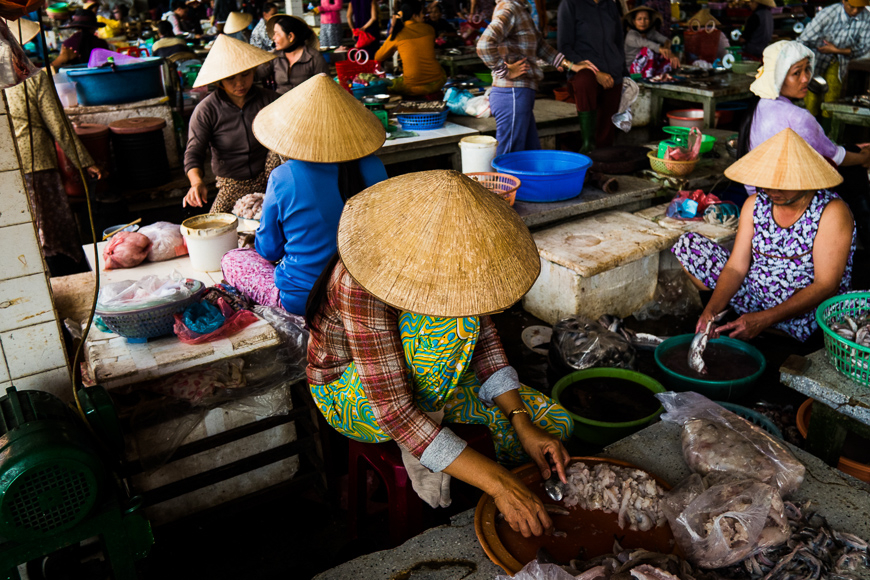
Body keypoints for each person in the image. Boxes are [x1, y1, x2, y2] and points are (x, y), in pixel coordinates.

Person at [305, 169, 574, 531]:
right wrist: (499, 483)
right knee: (456, 325)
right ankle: (424, 446)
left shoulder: (463, 264)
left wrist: (521, 422)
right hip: (351, 395)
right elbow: (394, 410)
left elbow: (487, 345)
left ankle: (438, 439)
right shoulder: (358, 282)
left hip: (422, 375)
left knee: (555, 425)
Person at [220, 74, 388, 315]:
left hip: (308, 299)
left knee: (232, 259)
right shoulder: (374, 166)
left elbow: (269, 251)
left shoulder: (284, 176)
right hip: (365, 291)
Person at [673, 128, 856, 343]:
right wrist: (711, 311)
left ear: (805, 180)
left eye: (782, 185)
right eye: (767, 184)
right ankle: (734, 323)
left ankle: (767, 330)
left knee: (852, 312)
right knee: (689, 245)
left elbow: (826, 285)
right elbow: (736, 267)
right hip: (756, 299)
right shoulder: (755, 204)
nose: (772, 192)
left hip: (807, 313)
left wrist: (766, 319)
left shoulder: (831, 211)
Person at [737, 40, 870, 244]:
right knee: (855, 172)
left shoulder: (759, 106)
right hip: (787, 196)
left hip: (756, 194)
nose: (806, 78)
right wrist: (864, 158)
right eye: (796, 73)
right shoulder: (798, 117)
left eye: (807, 69)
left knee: (851, 152)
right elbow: (834, 157)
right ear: (778, 76)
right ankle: (863, 234)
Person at [5, 54, 102, 274]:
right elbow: (58, 124)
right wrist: (84, 161)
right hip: (37, 164)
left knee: (24, 229)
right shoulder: (34, 78)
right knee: (52, 229)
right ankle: (64, 272)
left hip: (7, 168)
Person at [477, 0, 596, 155]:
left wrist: (570, 65)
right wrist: (505, 70)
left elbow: (540, 46)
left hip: (520, 94)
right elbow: (484, 45)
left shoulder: (520, 9)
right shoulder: (509, 8)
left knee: (531, 154)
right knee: (509, 156)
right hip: (512, 93)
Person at [183, 35, 280, 212]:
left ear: (254, 71)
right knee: (217, 224)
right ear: (220, 80)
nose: (240, 83)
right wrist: (196, 182)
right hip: (231, 184)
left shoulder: (270, 100)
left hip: (271, 181)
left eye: (246, 74)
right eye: (231, 78)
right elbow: (194, 152)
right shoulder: (206, 110)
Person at [557, 0, 624, 153]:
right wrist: (595, 72)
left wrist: (622, 71)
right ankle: (587, 148)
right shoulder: (570, 4)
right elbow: (564, 47)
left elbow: (619, 42)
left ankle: (602, 162)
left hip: (612, 73)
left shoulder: (610, 5)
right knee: (585, 79)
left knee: (606, 136)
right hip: (582, 75)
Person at [798, 0, 870, 118]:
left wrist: (836, 50)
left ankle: (828, 127)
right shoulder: (828, 13)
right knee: (811, 101)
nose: (855, 11)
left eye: (860, 8)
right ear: (844, 1)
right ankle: (809, 126)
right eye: (852, 6)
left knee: (832, 102)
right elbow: (803, 40)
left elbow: (864, 48)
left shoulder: (867, 18)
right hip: (814, 61)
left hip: (839, 63)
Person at [375, 0, 446, 96]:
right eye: (422, 13)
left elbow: (378, 57)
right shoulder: (430, 29)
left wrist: (394, 48)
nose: (424, 15)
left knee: (386, 84)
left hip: (413, 87)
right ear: (414, 15)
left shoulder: (397, 35)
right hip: (438, 82)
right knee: (441, 69)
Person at [257, 14, 329, 94]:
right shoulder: (274, 56)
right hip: (280, 100)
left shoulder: (313, 57)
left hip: (307, 100)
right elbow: (257, 74)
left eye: (277, 34)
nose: (273, 38)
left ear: (290, 36)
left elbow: (326, 87)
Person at [623, 6, 679, 71]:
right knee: (648, 50)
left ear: (650, 21)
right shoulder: (631, 35)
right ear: (634, 21)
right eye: (639, 19)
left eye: (646, 19)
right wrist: (667, 53)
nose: (643, 22)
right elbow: (648, 44)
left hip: (646, 67)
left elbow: (667, 40)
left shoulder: (651, 32)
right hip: (631, 70)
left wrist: (667, 49)